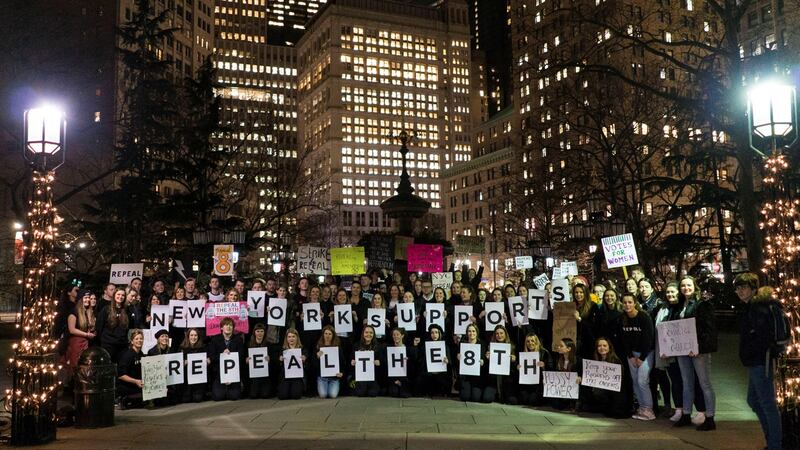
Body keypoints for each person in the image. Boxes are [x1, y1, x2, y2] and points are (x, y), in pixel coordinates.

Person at [736, 273, 782, 449]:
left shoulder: (758, 308)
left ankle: (775, 444)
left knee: (767, 404)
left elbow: (762, 337)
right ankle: (772, 440)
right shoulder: (752, 307)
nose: (740, 291)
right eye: (737, 288)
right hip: (756, 361)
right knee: (754, 400)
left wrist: (751, 351)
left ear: (753, 289)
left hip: (760, 361)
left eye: (744, 287)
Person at [673, 276, 718, 431]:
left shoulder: (702, 304)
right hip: (683, 350)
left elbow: (709, 328)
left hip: (698, 351)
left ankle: (710, 417)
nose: (686, 288)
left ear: (695, 286)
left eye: (689, 285)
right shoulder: (680, 305)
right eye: (683, 285)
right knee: (687, 383)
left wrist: (699, 346)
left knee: (704, 383)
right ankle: (686, 414)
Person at [619, 292, 655, 421]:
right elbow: (624, 339)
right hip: (632, 355)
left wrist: (642, 358)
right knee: (635, 381)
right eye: (625, 302)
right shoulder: (622, 318)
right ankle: (642, 407)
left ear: (635, 303)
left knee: (642, 381)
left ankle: (649, 410)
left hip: (646, 354)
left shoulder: (644, 317)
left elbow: (649, 339)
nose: (627, 305)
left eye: (630, 302)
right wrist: (630, 356)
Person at [580, 337, 630, 418]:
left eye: (604, 345)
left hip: (613, 393)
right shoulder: (595, 361)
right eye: (599, 346)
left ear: (609, 348)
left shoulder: (615, 361)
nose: (602, 348)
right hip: (600, 390)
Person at [62, 290, 96, 386]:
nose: (88, 300)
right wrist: (86, 335)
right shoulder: (74, 312)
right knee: (75, 367)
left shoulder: (88, 312)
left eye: (89, 298)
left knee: (84, 367)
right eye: (85, 298)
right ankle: (72, 390)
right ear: (80, 299)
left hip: (85, 343)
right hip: (75, 343)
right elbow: (72, 329)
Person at [208, 317, 245, 401]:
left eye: (231, 325)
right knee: (218, 397)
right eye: (226, 325)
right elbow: (212, 357)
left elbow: (241, 356)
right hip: (219, 374)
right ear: (221, 327)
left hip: (234, 373)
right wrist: (222, 355)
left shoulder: (238, 340)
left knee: (234, 396)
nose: (228, 327)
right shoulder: (215, 340)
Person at [483, 325, 518, 404]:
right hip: (493, 380)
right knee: (487, 398)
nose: (499, 335)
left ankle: (502, 394)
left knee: (512, 401)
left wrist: (514, 361)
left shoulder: (512, 346)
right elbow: (486, 368)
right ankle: (496, 394)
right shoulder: (490, 346)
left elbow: (515, 368)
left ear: (505, 334)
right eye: (497, 334)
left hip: (507, 380)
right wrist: (487, 359)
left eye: (501, 333)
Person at [416, 324, 450, 397]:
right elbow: (420, 360)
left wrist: (447, 361)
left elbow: (449, 362)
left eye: (436, 332)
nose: (434, 335)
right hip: (428, 372)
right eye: (432, 333)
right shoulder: (425, 345)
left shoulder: (444, 346)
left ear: (439, 334)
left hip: (441, 372)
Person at [97, 288, 131, 362]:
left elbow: (128, 327)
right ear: (114, 296)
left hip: (122, 345)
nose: (120, 297)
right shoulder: (106, 309)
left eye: (123, 295)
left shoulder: (126, 310)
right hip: (108, 344)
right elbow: (99, 326)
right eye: (118, 294)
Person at [517, 333, 549, 406]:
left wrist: (544, 366)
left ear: (536, 342)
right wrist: (518, 367)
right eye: (528, 341)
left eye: (532, 341)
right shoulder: (523, 354)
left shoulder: (544, 352)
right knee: (524, 400)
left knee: (532, 401)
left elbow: (551, 367)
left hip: (539, 384)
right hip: (526, 384)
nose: (530, 343)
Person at [457, 323, 486, 402]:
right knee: (464, 397)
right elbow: (458, 361)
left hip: (477, 376)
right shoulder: (462, 344)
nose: (471, 333)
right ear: (467, 333)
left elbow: (484, 359)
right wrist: (458, 357)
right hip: (466, 376)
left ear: (477, 332)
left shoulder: (482, 344)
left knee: (475, 398)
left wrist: (483, 361)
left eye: (473, 331)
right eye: (469, 331)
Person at [117, 329, 145, 409]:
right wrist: (136, 381)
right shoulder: (127, 355)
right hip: (127, 386)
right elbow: (121, 375)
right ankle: (123, 399)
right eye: (136, 339)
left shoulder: (141, 354)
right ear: (132, 341)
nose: (139, 340)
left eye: (141, 338)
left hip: (138, 384)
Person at [351, 325, 382, 397]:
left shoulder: (378, 346)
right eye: (366, 332)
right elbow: (351, 359)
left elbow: (382, 361)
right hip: (361, 376)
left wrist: (379, 362)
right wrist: (352, 362)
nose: (368, 334)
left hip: (373, 375)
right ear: (363, 334)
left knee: (372, 393)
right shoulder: (356, 345)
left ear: (373, 334)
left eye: (371, 333)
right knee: (360, 393)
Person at [315, 325, 345, 398]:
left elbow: (343, 363)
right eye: (326, 333)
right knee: (323, 395)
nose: (327, 336)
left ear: (333, 335)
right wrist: (317, 357)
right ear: (323, 335)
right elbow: (314, 365)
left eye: (330, 334)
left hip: (334, 378)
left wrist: (341, 373)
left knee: (333, 395)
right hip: (322, 378)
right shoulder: (318, 347)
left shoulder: (337, 348)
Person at [551, 337, 581, 411]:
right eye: (558, 346)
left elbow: (582, 374)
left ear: (569, 349)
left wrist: (580, 377)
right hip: (562, 388)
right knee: (556, 405)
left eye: (561, 346)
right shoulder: (558, 360)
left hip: (573, 389)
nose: (558, 347)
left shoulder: (578, 361)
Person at [386, 327, 416, 398]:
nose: (395, 336)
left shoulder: (408, 349)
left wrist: (408, 360)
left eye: (397, 334)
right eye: (394, 335)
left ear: (402, 335)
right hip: (393, 378)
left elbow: (413, 367)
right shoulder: (389, 349)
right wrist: (395, 380)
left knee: (404, 394)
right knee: (394, 393)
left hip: (405, 378)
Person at [277, 328, 306, 400]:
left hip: (297, 377)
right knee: (282, 396)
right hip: (286, 377)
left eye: (293, 336)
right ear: (286, 338)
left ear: (297, 337)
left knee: (296, 396)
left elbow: (308, 366)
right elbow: (278, 367)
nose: (291, 339)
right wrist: (280, 360)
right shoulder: (283, 350)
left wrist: (304, 360)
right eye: (289, 337)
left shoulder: (302, 349)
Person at [180, 328, 207, 403]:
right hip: (186, 379)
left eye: (195, 335)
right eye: (191, 335)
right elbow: (178, 364)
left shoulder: (203, 348)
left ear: (198, 337)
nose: (193, 337)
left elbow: (207, 361)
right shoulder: (182, 348)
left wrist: (207, 361)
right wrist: (182, 363)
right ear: (188, 336)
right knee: (186, 400)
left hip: (198, 379)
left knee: (197, 399)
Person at [247, 323, 272, 399]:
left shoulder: (268, 344)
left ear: (264, 333)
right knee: (253, 395)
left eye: (262, 331)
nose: (260, 333)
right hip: (254, 375)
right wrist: (247, 360)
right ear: (254, 332)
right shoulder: (249, 344)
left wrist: (269, 359)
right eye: (258, 331)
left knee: (265, 395)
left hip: (265, 374)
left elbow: (273, 361)